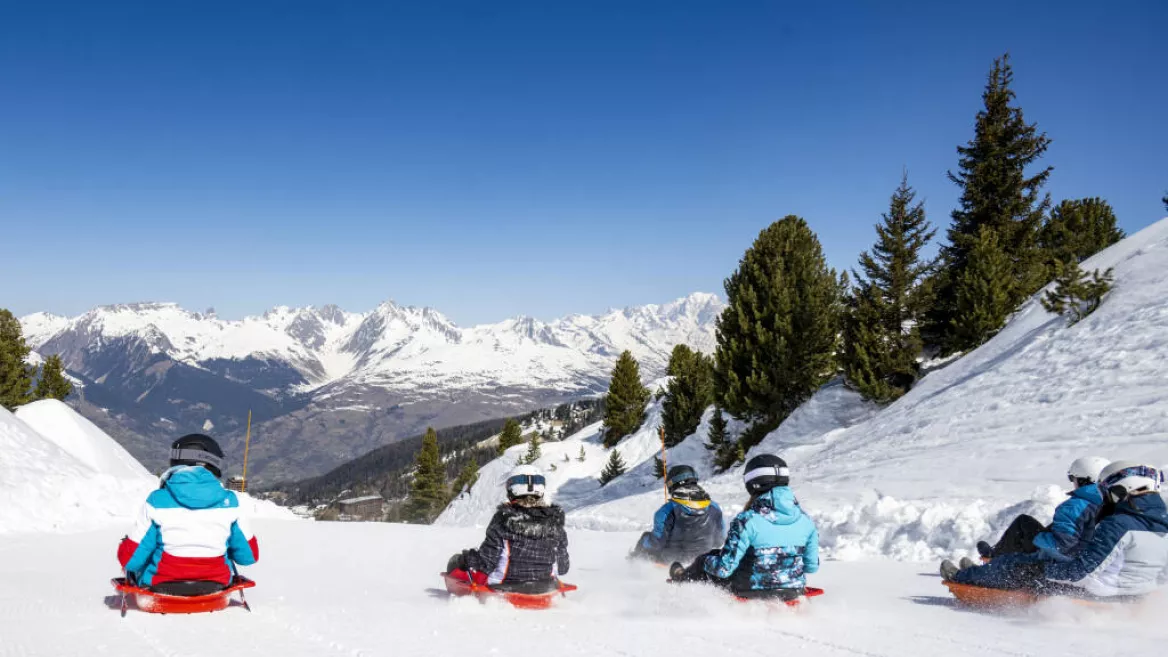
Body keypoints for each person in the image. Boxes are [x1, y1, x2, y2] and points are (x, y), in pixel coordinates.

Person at [942, 461, 1168, 599]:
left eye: (1110, 491)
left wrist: (1046, 570)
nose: (1108, 498)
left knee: (1017, 565)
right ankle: (977, 572)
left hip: (1098, 594)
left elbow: (1081, 573)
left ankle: (963, 577)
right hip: (1135, 596)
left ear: (1124, 488)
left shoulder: (1117, 524)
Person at [117, 434, 259, 595]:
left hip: (161, 585)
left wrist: (125, 545)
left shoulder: (156, 500)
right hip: (215, 585)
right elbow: (248, 557)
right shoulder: (231, 502)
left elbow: (130, 560)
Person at [669, 454, 819, 600]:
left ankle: (681, 582)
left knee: (707, 559)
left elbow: (724, 568)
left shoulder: (747, 520)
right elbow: (811, 567)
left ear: (752, 483)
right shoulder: (806, 521)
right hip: (793, 589)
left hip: (749, 588)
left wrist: (704, 560)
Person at [446, 464, 570, 593]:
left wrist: (465, 559)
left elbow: (486, 562)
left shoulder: (504, 519)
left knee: (455, 562)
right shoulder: (555, 523)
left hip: (504, 588)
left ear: (512, 489)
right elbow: (563, 567)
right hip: (545, 588)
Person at [970, 456, 1110, 566]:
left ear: (1084, 479)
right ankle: (999, 557)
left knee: (1023, 523)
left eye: (1072, 478)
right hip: (1091, 555)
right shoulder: (1111, 501)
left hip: (1066, 557)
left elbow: (1062, 544)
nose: (1073, 482)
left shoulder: (1078, 504)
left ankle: (995, 561)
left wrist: (1038, 539)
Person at [630, 464, 725, 564]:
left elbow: (656, 543)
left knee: (646, 538)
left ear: (673, 483)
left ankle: (634, 568)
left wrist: (641, 546)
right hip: (703, 562)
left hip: (672, 562)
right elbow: (719, 540)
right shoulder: (714, 507)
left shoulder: (667, 510)